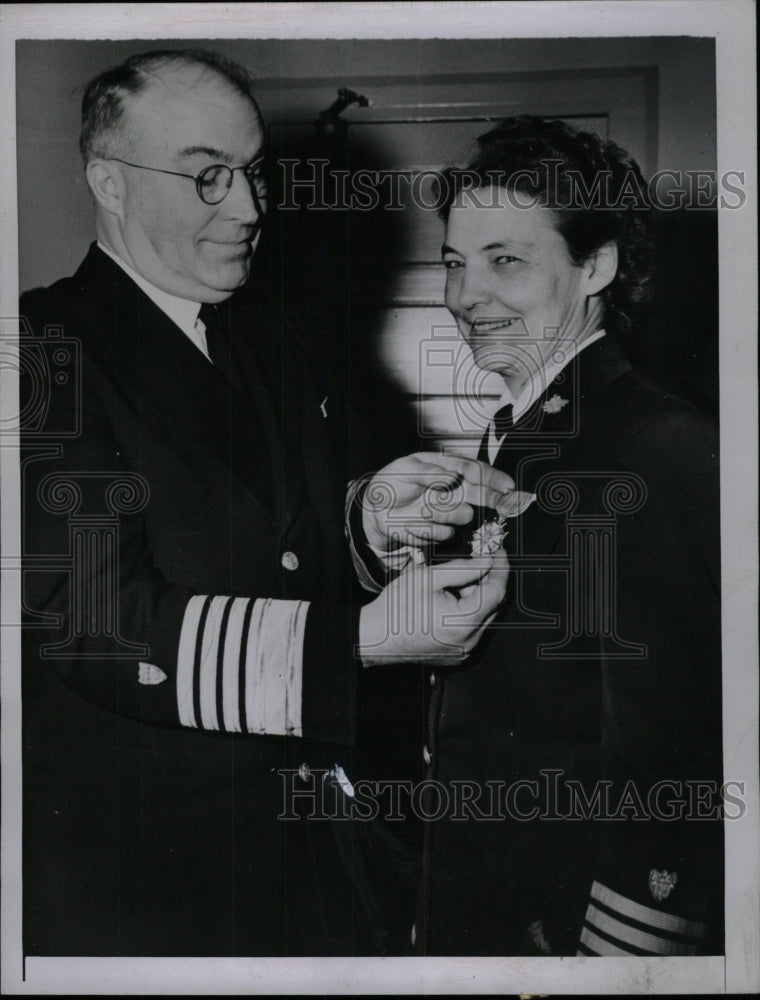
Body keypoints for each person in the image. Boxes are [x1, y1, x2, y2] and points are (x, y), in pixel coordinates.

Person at [19, 48, 511, 957]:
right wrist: (362, 641)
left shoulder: (264, 333)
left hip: (307, 850)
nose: (248, 209)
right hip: (146, 885)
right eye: (207, 177)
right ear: (109, 183)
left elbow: (270, 544)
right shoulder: (41, 351)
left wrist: (369, 519)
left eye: (251, 174)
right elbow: (99, 624)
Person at [351, 117, 723, 956]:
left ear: (597, 265)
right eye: (454, 262)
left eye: (505, 260)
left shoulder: (654, 445)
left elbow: (670, 754)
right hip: (488, 901)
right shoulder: (524, 435)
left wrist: (623, 956)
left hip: (564, 931)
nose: (464, 295)